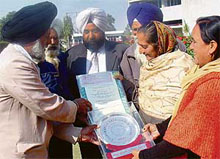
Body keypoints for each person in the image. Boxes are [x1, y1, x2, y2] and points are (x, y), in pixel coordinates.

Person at [0, 2, 98, 158]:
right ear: (34, 36)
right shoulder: (14, 63)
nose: (48, 42)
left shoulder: (26, 61)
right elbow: (45, 106)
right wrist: (76, 106)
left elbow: (40, 115)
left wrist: (78, 133)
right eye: (46, 36)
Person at [132, 15, 220, 159]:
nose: (190, 47)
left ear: (212, 46)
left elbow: (185, 135)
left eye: (194, 42)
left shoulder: (213, 84)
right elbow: (187, 113)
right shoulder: (201, 72)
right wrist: (160, 127)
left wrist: (144, 156)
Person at [66, 7, 129, 158]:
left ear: (103, 30)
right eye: (86, 32)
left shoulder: (121, 51)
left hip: (118, 119)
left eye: (95, 31)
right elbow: (68, 87)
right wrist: (77, 111)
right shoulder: (71, 55)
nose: (90, 36)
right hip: (86, 121)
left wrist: (123, 82)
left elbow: (132, 84)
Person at [120, 2, 186, 105]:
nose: (138, 34)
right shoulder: (129, 55)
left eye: (142, 29)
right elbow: (132, 92)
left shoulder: (178, 50)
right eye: (135, 30)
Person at [136, 21, 194, 124]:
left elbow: (190, 105)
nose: (140, 51)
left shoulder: (184, 64)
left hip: (173, 129)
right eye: (139, 46)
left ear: (160, 44)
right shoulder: (147, 66)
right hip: (145, 127)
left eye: (144, 47)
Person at [38, 18, 75, 158]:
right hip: (44, 128)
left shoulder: (64, 61)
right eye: (49, 38)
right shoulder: (34, 64)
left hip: (64, 126)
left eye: (55, 38)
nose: (52, 42)